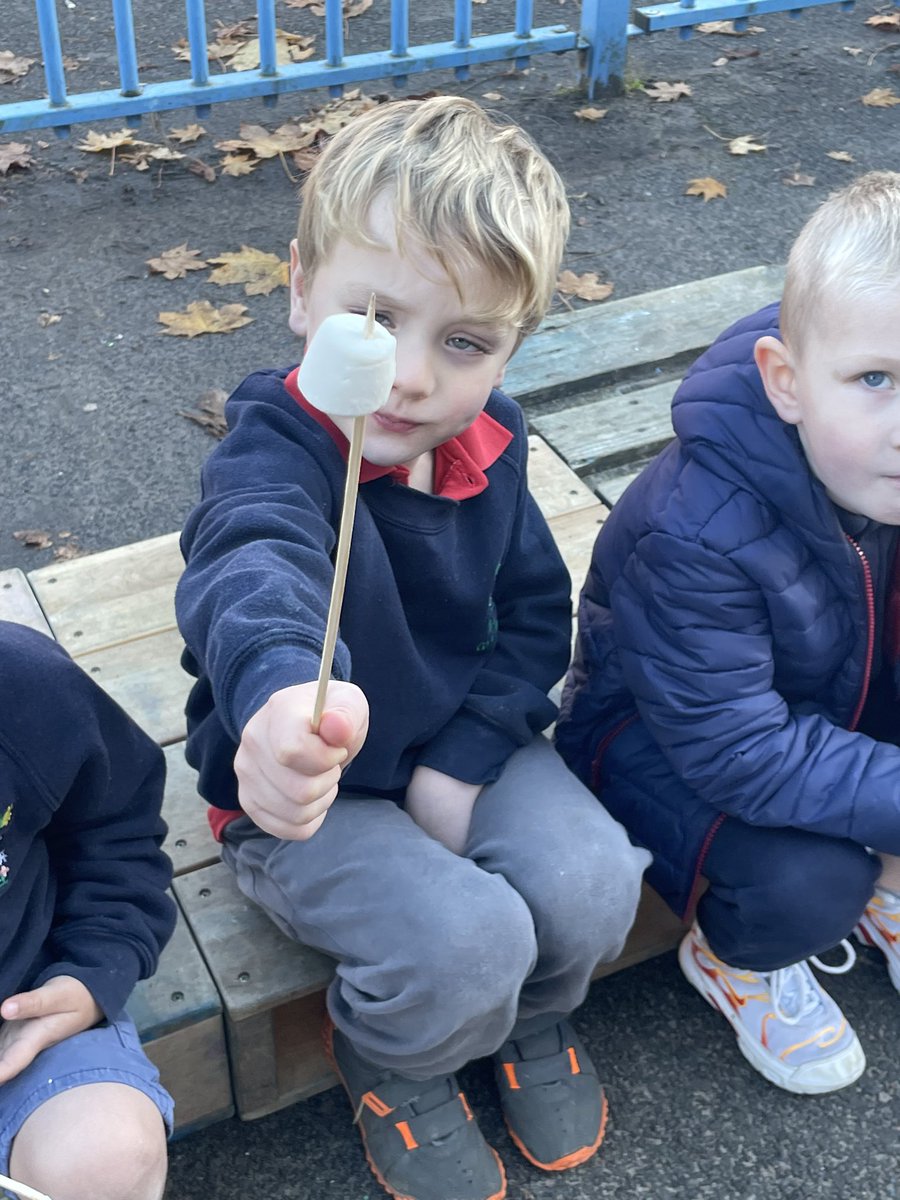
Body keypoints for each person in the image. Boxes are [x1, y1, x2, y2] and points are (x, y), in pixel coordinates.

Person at [175, 95, 649, 1200]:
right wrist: (282, 696)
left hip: (455, 738)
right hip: (305, 792)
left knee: (590, 885)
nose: (410, 377)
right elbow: (251, 566)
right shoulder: (275, 455)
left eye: (465, 342)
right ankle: (397, 1057)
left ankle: (530, 1020)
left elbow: (534, 613)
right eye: (375, 320)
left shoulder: (494, 443)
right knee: (460, 944)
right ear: (300, 290)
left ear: (511, 347)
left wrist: (466, 756)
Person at [556, 170, 900, 1097]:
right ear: (785, 382)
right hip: (663, 742)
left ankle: (890, 886)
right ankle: (737, 960)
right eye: (875, 379)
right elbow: (737, 750)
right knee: (814, 885)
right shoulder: (698, 530)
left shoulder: (876, 471)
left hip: (830, 692)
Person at [0, 621, 176, 1200]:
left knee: (107, 1159)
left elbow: (117, 832)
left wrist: (92, 967)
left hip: (21, 1013)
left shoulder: (21, 685)